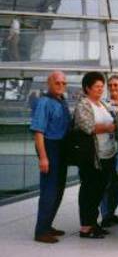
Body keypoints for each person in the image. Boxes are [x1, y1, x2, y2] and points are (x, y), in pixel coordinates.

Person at [73, 72, 117, 239]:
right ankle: (85, 227)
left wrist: (109, 126)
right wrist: (108, 127)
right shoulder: (83, 105)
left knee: (99, 190)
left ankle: (93, 222)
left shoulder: (103, 104)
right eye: (97, 87)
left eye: (101, 87)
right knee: (88, 190)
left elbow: (115, 121)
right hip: (91, 157)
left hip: (107, 155)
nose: (100, 89)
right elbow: (88, 127)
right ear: (87, 88)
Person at [32, 71, 71, 243]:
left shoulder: (62, 101)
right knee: (49, 191)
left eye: (64, 83)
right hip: (50, 147)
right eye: (57, 83)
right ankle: (41, 231)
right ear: (49, 83)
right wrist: (43, 157)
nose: (61, 86)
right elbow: (39, 132)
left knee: (58, 190)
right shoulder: (44, 102)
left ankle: (47, 225)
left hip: (62, 148)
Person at [100, 74, 118, 227]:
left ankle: (115, 212)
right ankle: (106, 214)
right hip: (108, 148)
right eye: (110, 85)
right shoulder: (103, 105)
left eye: (116, 85)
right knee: (108, 183)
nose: (112, 88)